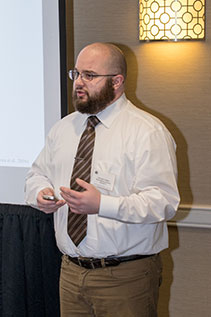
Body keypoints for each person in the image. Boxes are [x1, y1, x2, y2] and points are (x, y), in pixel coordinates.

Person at [25, 42, 180, 317]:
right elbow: (37, 173)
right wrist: (40, 192)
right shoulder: (64, 128)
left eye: (90, 75)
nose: (79, 83)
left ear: (117, 82)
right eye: (76, 74)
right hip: (71, 273)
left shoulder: (147, 132)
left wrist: (102, 204)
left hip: (125, 278)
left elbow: (163, 203)